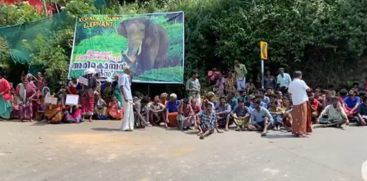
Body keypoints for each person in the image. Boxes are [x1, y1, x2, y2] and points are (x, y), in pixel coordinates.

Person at [288, 71, 312, 137]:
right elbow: (308, 89)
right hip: (302, 101)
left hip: (295, 102)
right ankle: (301, 132)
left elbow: (289, 92)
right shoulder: (301, 82)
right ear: (300, 75)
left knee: (296, 118)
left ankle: (295, 131)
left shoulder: (291, 83)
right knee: (302, 117)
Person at [119, 66, 134, 131]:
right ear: (126, 70)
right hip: (126, 96)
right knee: (127, 111)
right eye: (129, 69)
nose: (130, 71)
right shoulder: (123, 76)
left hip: (129, 96)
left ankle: (130, 126)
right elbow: (121, 87)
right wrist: (125, 96)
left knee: (130, 112)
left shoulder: (127, 77)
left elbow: (128, 87)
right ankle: (125, 127)